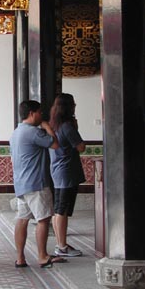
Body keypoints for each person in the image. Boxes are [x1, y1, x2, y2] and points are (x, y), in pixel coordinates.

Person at [9, 100, 61, 268]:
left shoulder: (16, 132)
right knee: (43, 219)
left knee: (22, 219)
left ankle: (20, 258)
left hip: (21, 183)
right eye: (40, 112)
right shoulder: (33, 132)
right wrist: (47, 126)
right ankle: (42, 256)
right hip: (37, 183)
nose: (42, 116)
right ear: (31, 113)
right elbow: (55, 144)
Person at [49, 93, 86, 258]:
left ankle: (60, 243)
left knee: (58, 209)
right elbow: (81, 147)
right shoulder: (67, 127)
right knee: (62, 210)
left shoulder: (53, 125)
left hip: (57, 171)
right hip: (67, 172)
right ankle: (62, 246)